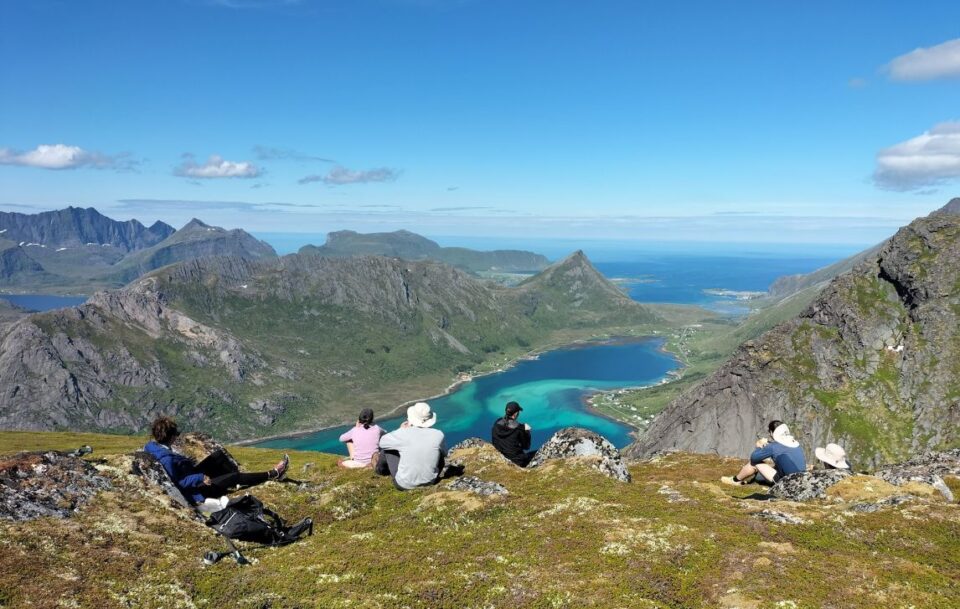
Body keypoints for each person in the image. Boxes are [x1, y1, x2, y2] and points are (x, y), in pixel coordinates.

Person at [144, 416, 289, 506]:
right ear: (170, 436)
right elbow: (178, 482)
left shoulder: (152, 446)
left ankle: (236, 481)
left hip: (192, 474)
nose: (177, 436)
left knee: (218, 456)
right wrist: (200, 477)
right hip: (197, 490)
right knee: (234, 476)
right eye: (176, 434)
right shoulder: (166, 458)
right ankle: (273, 474)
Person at [376, 402, 446, 490]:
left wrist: (400, 429)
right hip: (431, 481)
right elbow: (444, 454)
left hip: (404, 484)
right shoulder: (438, 435)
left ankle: (381, 471)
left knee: (387, 449)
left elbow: (382, 442)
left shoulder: (403, 433)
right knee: (438, 451)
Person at [721, 420, 806, 486]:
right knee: (766, 471)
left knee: (754, 463)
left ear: (772, 433)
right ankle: (750, 480)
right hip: (802, 479)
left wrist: (759, 446)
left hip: (787, 481)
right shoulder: (795, 442)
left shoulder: (773, 446)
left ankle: (735, 480)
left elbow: (754, 458)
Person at [491, 401, 535, 467]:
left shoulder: (497, 423)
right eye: (518, 412)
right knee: (539, 453)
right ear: (515, 414)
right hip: (517, 461)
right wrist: (527, 432)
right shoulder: (519, 428)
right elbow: (526, 446)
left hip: (501, 457)